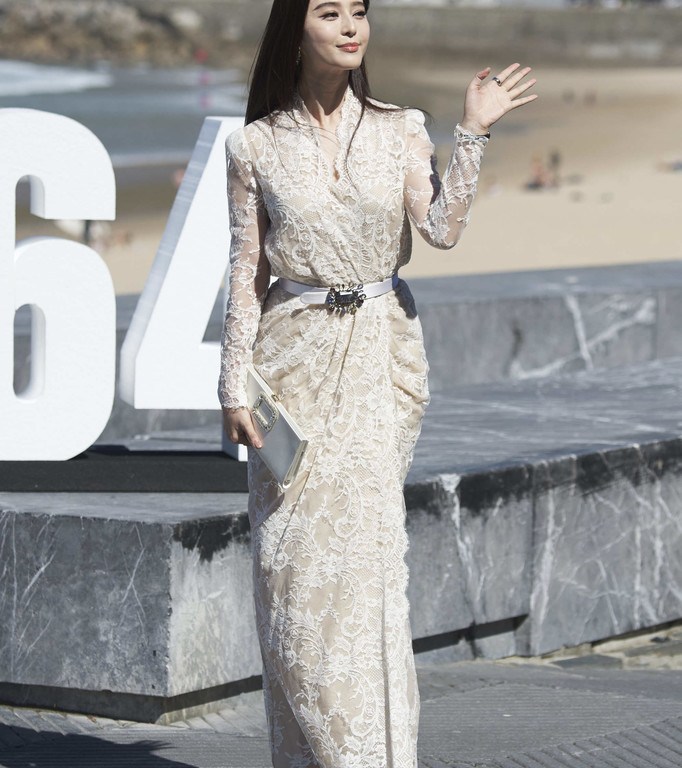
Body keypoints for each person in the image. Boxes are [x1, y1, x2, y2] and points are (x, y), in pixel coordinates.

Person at [218, 1, 537, 766]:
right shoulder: (252, 145)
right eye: (330, 12)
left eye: (360, 11)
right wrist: (233, 382)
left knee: (364, 569)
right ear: (295, 27)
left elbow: (442, 231)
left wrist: (474, 131)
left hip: (377, 361)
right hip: (290, 364)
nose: (351, 26)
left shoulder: (400, 126)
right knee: (289, 571)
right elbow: (245, 271)